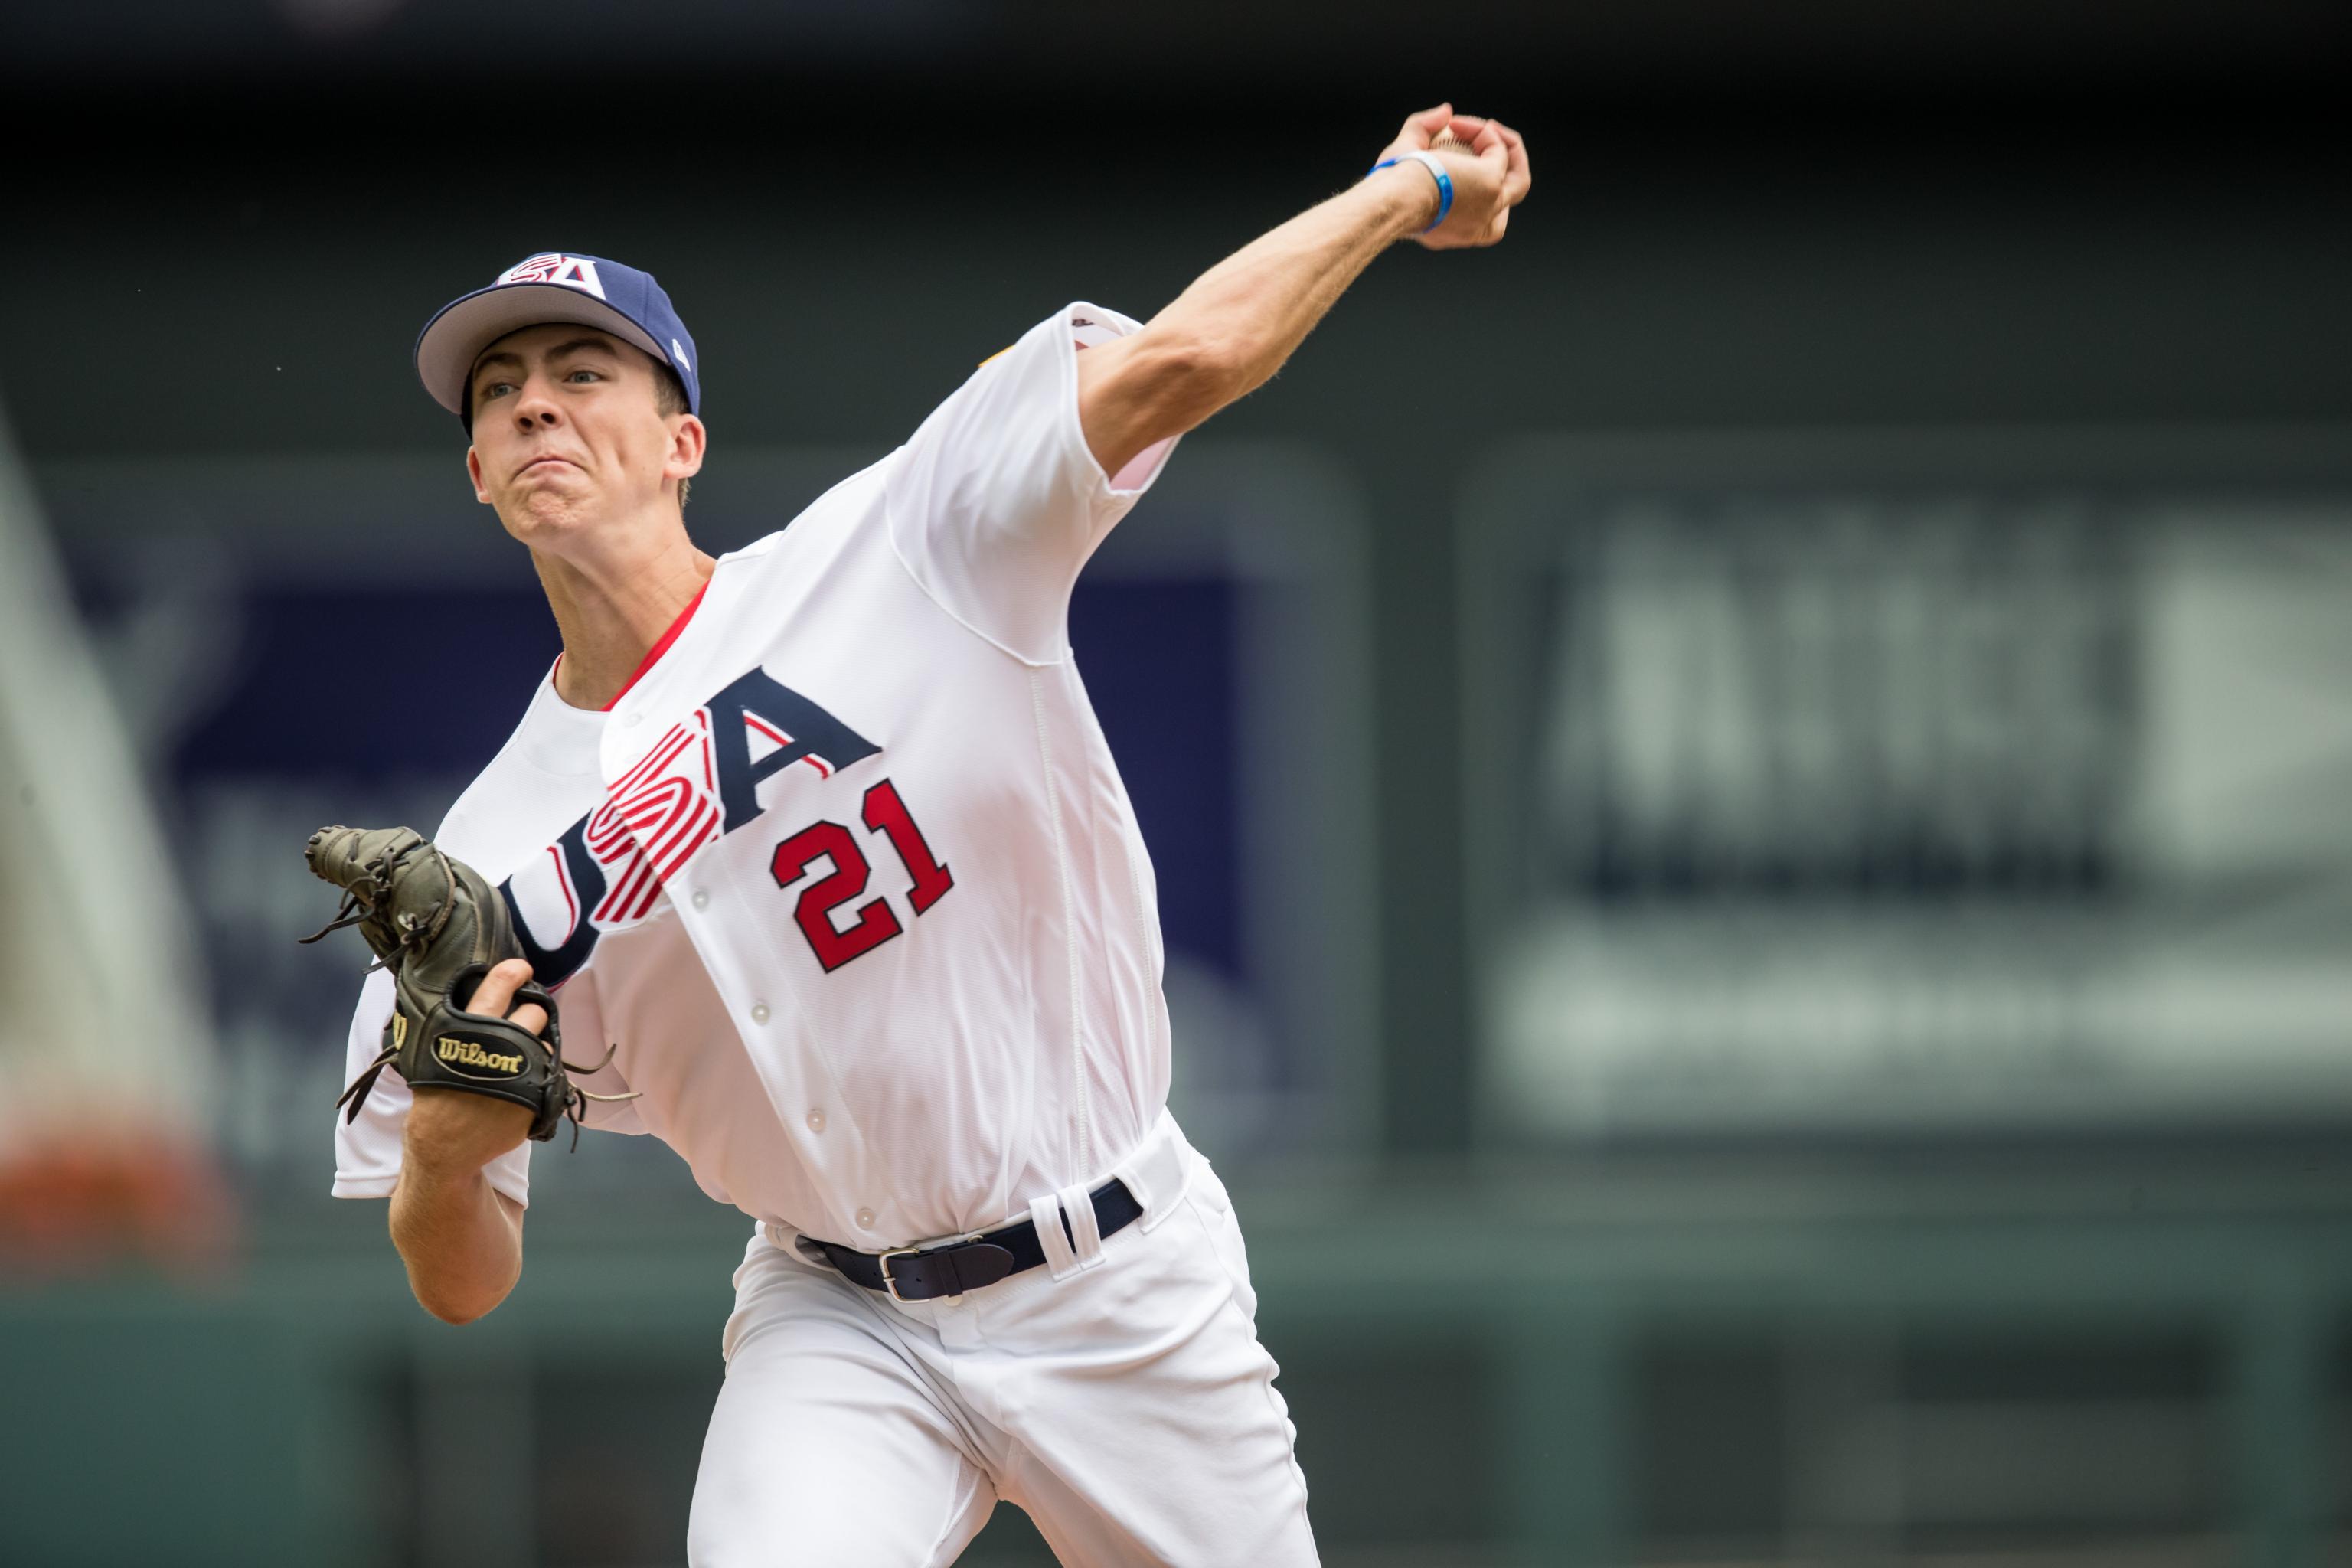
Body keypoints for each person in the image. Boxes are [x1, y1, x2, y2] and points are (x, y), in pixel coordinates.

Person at [330, 103, 1530, 1567]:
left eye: (584, 373)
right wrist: (448, 1169)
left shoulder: (898, 544)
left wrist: (1400, 190)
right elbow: (461, 1285)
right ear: (476, 475)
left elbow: (1184, 360)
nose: (532, 406)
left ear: (681, 441)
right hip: (836, 1321)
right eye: (498, 391)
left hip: (1119, 1280)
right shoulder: (485, 859)